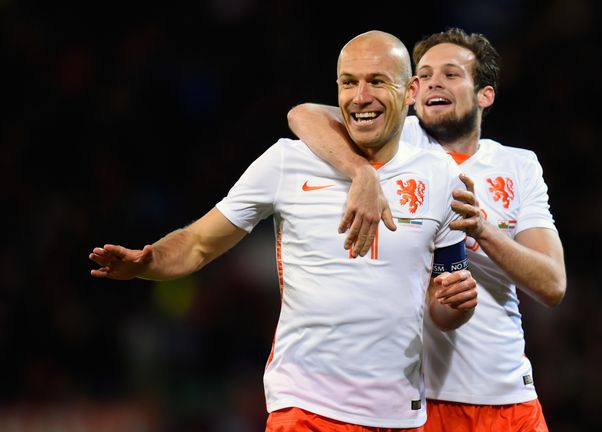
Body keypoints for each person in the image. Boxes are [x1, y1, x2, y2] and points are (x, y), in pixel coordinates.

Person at [89, 30, 480, 431]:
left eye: (377, 81)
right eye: (349, 83)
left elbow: (444, 297)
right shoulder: (287, 162)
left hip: (401, 413)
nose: (360, 97)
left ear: (411, 90)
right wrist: (147, 262)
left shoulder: (441, 177)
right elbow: (199, 243)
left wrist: (456, 305)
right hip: (305, 409)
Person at [287, 27, 566, 431]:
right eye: (426, 74)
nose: (435, 81)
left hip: (508, 396)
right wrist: (361, 172)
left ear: (484, 95)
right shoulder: (397, 142)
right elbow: (302, 115)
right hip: (416, 401)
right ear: (412, 91)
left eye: (451, 74)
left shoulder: (519, 166)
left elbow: (552, 284)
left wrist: (483, 230)